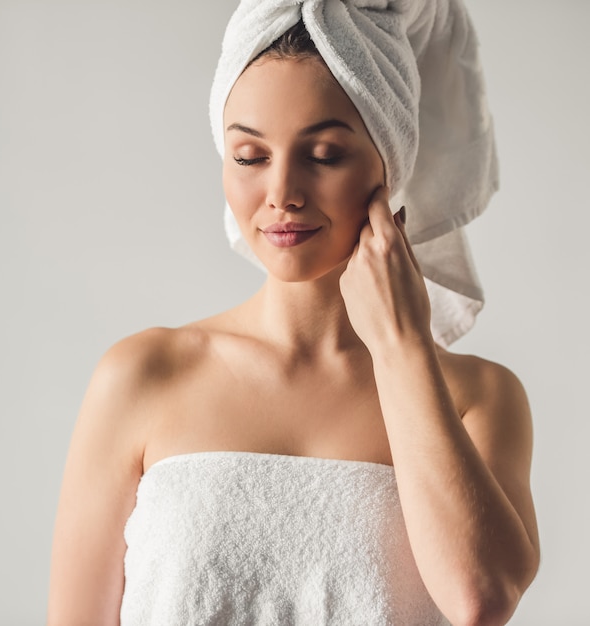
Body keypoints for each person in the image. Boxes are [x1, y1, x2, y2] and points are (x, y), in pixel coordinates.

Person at [48, 1, 539, 624]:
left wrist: (401, 348)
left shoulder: (478, 398)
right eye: (250, 157)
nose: (281, 193)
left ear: (391, 161)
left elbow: (481, 599)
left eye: (325, 154)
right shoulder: (143, 376)